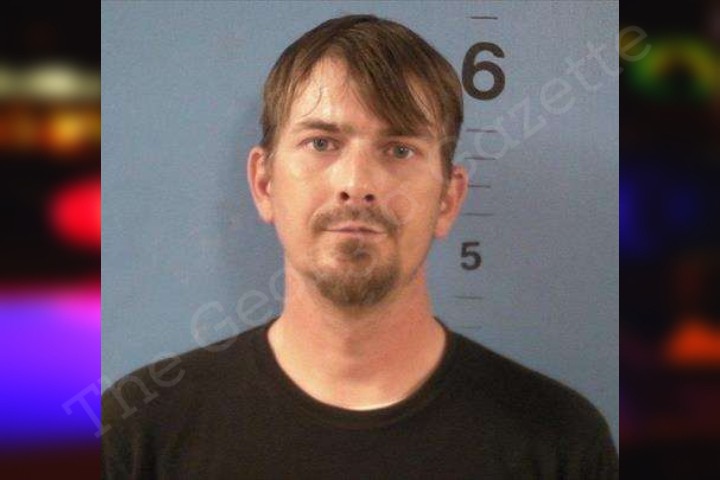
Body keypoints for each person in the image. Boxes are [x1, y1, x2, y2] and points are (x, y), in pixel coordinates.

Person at [102, 14, 618, 479]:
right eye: (321, 143)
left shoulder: (560, 446)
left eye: (399, 149)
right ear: (264, 183)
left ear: (448, 198)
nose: (356, 183)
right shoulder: (141, 435)